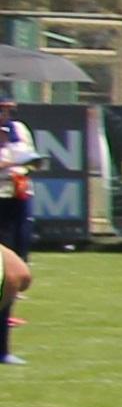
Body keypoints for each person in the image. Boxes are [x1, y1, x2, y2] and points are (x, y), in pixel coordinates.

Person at [0, 100, 34, 362]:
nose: (4, 114)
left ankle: (2, 349)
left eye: (6, 109)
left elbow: (30, 160)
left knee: (18, 275)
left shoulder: (17, 130)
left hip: (16, 199)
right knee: (8, 276)